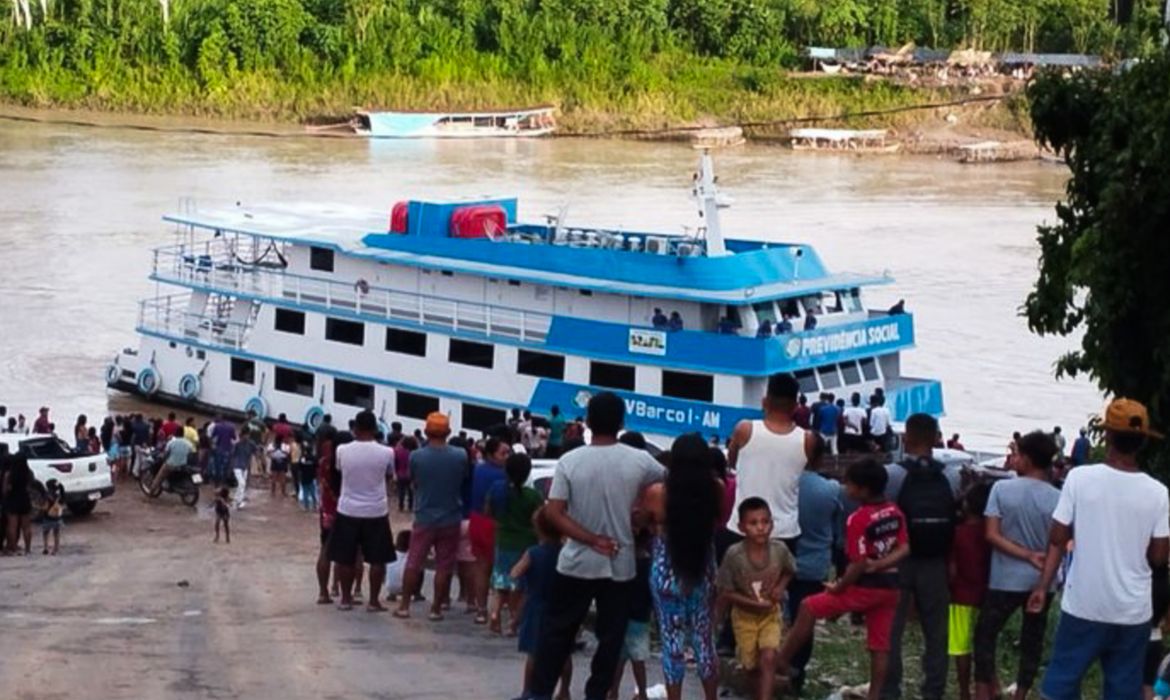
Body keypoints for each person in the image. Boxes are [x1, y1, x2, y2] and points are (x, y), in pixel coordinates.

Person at [529, 392, 666, 700]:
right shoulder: (640, 460)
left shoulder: (570, 461)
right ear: (621, 422)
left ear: (588, 422)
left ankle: (540, 692)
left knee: (556, 633)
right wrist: (644, 514)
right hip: (620, 562)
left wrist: (591, 539)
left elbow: (554, 512)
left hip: (576, 560)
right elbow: (666, 483)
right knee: (611, 638)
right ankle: (597, 694)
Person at [1029, 398, 1170, 699]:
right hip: (1132, 611)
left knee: (1061, 685)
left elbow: (1057, 537)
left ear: (1107, 436)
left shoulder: (1079, 479)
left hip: (1084, 605)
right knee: (1123, 690)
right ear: (1143, 441)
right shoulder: (1158, 493)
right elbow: (1159, 557)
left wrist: (1042, 585)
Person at [778, 458, 909, 700]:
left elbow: (858, 563)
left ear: (863, 489)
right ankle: (875, 695)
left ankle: (781, 661)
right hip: (891, 588)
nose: (846, 488)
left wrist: (839, 587)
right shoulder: (895, 512)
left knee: (808, 607)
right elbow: (904, 548)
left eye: (849, 484)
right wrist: (882, 564)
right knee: (880, 646)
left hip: (864, 588)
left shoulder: (858, 519)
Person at [973, 430, 1060, 700]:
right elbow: (1058, 544)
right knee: (1032, 641)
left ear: (1028, 459)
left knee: (985, 635)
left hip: (1005, 579)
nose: (1014, 459)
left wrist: (1025, 555)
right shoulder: (1058, 498)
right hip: (1043, 580)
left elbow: (992, 535)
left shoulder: (1002, 489)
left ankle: (986, 690)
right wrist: (1041, 570)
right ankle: (1021, 694)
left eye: (1017, 455)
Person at [881, 413, 961, 700]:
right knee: (936, 632)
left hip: (897, 560)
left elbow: (883, 515)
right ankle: (933, 691)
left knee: (891, 630)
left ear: (907, 438)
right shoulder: (950, 476)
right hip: (935, 560)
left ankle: (890, 689)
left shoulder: (893, 474)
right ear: (936, 438)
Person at [642, 434, 723, 700]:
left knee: (671, 642)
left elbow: (644, 523)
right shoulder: (716, 488)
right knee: (704, 640)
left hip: (667, 572)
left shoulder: (657, 493)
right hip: (703, 569)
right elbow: (718, 520)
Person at [725, 372, 817, 555]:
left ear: (764, 402)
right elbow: (806, 468)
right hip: (785, 531)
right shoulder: (808, 440)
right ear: (796, 406)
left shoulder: (745, 429)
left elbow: (732, 463)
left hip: (743, 526)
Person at [718, 497, 796, 700]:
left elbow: (789, 570)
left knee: (768, 657)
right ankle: (759, 690)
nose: (760, 528)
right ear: (741, 527)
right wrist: (753, 604)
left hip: (770, 614)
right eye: (753, 523)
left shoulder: (779, 550)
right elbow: (726, 591)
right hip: (744, 618)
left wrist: (780, 587)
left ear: (772, 524)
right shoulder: (735, 556)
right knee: (751, 666)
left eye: (765, 522)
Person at [396, 412, 467, 621]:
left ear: (426, 432)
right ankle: (436, 608)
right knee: (444, 566)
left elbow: (414, 481)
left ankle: (404, 606)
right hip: (451, 516)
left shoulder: (416, 456)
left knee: (414, 561)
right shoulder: (460, 455)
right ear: (448, 432)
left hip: (425, 516)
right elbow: (462, 479)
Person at [787, 435, 843, 692]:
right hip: (814, 565)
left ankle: (769, 670)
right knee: (804, 621)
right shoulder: (831, 490)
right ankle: (796, 671)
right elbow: (839, 533)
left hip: (780, 560)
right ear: (821, 458)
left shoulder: (784, 484)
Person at [328, 410, 396, 612]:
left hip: (348, 509)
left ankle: (346, 599)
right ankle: (373, 601)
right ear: (375, 429)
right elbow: (389, 476)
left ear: (355, 429)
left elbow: (340, 472)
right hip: (376, 510)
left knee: (345, 557)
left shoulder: (342, 450)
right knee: (377, 559)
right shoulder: (387, 452)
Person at [513, 507, 572, 700]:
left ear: (538, 529)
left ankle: (527, 691)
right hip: (562, 606)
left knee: (534, 653)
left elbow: (516, 573)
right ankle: (564, 690)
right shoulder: (566, 553)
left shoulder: (533, 553)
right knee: (563, 652)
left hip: (536, 606)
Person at [487, 452, 544, 637]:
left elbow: (488, 511)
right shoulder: (533, 496)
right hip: (526, 544)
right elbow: (539, 519)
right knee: (521, 587)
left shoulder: (497, 490)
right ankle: (513, 623)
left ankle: (494, 614)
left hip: (503, 541)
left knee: (500, 583)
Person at [949, 483, 991, 700]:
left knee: (961, 647)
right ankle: (990, 687)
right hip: (987, 595)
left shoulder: (958, 533)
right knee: (986, 643)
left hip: (960, 596)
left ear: (967, 505)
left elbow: (952, 569)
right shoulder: (991, 533)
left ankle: (964, 691)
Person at [469, 437, 511, 625]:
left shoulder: (477, 469)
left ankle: (481, 609)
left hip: (476, 520)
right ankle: (500, 609)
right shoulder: (503, 476)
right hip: (496, 523)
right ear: (492, 454)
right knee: (502, 568)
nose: (507, 456)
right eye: (503, 453)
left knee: (481, 567)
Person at [3, 455, 33, 555]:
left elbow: (5, 490)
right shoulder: (28, 473)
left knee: (12, 526)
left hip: (13, 500)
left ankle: (13, 548)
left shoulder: (9, 474)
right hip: (24, 499)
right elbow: (30, 487)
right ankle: (28, 549)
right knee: (27, 526)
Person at [152, 428, 194, 495]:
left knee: (159, 476)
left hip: (171, 464)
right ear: (183, 434)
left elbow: (166, 454)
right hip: (182, 465)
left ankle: (152, 490)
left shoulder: (171, 442)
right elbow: (191, 454)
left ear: (175, 434)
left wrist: (163, 458)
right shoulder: (188, 443)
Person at [384, 531, 411, 602]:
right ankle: (417, 594)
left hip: (389, 586)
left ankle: (392, 594)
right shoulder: (411, 555)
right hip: (405, 588)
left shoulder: (390, 553)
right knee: (418, 569)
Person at [209, 415, 236, 487]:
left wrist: (212, 446)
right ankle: (223, 483)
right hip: (227, 449)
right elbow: (234, 438)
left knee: (217, 466)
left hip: (218, 448)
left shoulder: (217, 426)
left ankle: (217, 483)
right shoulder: (231, 427)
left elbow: (213, 436)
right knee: (225, 467)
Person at [41, 478, 65, 555]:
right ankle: (56, 548)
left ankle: (46, 547)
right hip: (57, 518)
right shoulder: (60, 496)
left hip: (47, 517)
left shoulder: (47, 496)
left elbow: (45, 507)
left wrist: (40, 508)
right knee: (56, 533)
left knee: (45, 532)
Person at [297, 438, 318, 511]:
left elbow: (299, 467)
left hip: (304, 477)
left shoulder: (303, 458)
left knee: (305, 492)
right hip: (312, 477)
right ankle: (315, 506)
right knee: (313, 492)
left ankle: (306, 507)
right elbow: (317, 467)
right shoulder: (314, 458)